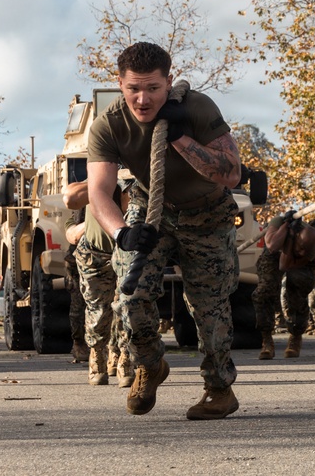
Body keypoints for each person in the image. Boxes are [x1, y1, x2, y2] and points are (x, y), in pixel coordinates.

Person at [87, 41, 243, 420]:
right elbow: (99, 191)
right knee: (129, 296)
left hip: (207, 213)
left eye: (153, 89)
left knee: (209, 308)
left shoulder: (198, 108)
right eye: (133, 88)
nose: (142, 99)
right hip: (149, 210)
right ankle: (150, 364)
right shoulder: (107, 125)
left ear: (169, 82)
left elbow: (232, 173)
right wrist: (122, 232)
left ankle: (219, 389)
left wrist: (179, 137)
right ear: (119, 83)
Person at [63, 177, 133, 386]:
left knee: (127, 308)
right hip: (95, 254)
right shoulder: (99, 178)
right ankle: (97, 356)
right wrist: (105, 180)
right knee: (99, 311)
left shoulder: (138, 179)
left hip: (127, 253)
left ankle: (125, 359)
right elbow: (71, 207)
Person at [256, 212, 315, 359]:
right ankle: (266, 340)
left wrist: (294, 247)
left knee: (297, 290)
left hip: (298, 262)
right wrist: (286, 230)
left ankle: (295, 337)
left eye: (305, 248)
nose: (302, 250)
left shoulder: (313, 244)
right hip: (274, 251)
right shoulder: (277, 223)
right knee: (263, 292)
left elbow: (285, 265)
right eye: (301, 246)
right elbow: (272, 246)